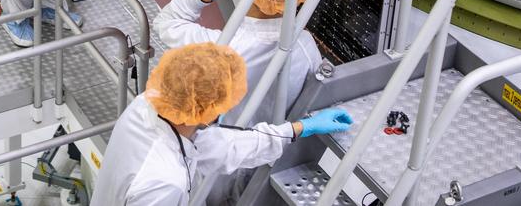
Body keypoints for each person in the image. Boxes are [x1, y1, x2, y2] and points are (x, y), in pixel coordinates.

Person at [90, 43, 351, 205]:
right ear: (204, 114)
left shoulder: (147, 105)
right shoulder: (166, 182)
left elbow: (222, 145)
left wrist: (298, 129)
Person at [154, 0, 320, 126]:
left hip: (225, 138)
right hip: (283, 139)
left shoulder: (223, 47)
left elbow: (166, 23)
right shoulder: (306, 45)